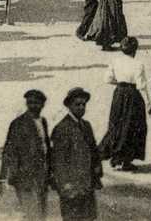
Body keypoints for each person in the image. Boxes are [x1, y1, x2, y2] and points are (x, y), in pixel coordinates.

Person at [0, 89, 51, 220]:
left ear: (43, 104)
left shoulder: (43, 122)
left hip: (41, 177)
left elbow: (46, 148)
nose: (33, 106)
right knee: (32, 215)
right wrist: (1, 179)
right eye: (30, 102)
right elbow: (8, 152)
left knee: (41, 215)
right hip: (24, 178)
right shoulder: (18, 123)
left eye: (36, 103)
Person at [49, 87, 102, 221]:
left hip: (86, 185)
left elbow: (94, 151)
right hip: (70, 187)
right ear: (69, 106)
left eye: (84, 104)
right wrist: (64, 184)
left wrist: (96, 172)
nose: (81, 107)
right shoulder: (62, 128)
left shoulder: (86, 126)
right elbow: (58, 161)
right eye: (77, 104)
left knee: (89, 217)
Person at [99, 36, 151, 171]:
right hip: (133, 96)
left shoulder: (115, 61)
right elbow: (141, 85)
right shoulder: (138, 64)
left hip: (119, 94)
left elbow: (107, 79)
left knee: (116, 124)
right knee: (132, 127)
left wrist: (120, 83)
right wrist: (148, 103)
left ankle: (115, 156)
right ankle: (126, 161)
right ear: (135, 50)